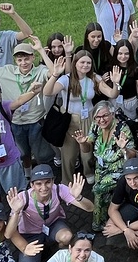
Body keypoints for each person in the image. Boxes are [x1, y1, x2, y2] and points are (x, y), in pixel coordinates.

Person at [5, 167, 93, 262]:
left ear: (53, 181)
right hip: (30, 236)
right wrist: (16, 212)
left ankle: (61, 256)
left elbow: (90, 208)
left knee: (67, 237)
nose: (44, 187)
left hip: (53, 226)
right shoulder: (23, 198)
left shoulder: (59, 189)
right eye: (38, 184)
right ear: (31, 185)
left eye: (47, 182)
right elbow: (8, 234)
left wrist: (79, 197)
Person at [0, 40, 54, 171]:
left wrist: (41, 50)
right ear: (15, 61)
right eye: (19, 60)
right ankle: (27, 174)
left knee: (42, 154)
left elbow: (54, 72)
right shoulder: (6, 71)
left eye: (27, 59)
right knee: (22, 153)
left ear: (33, 58)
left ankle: (44, 174)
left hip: (35, 120)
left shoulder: (40, 71)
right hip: (15, 121)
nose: (23, 63)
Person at [74, 101, 137, 230]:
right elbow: (87, 149)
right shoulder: (95, 126)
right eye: (98, 117)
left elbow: (133, 154)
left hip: (118, 169)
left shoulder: (122, 129)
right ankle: (108, 219)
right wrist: (82, 143)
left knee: (98, 190)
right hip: (100, 167)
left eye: (105, 116)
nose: (101, 120)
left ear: (112, 114)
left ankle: (98, 224)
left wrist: (124, 148)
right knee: (104, 195)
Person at [42, 51, 100, 185]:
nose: (85, 65)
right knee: (68, 153)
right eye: (82, 62)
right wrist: (55, 75)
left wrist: (114, 84)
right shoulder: (66, 79)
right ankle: (67, 180)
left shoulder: (93, 78)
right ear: (75, 63)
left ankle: (88, 172)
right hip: (69, 118)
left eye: (88, 63)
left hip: (88, 117)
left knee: (87, 150)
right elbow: (48, 92)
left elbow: (110, 92)